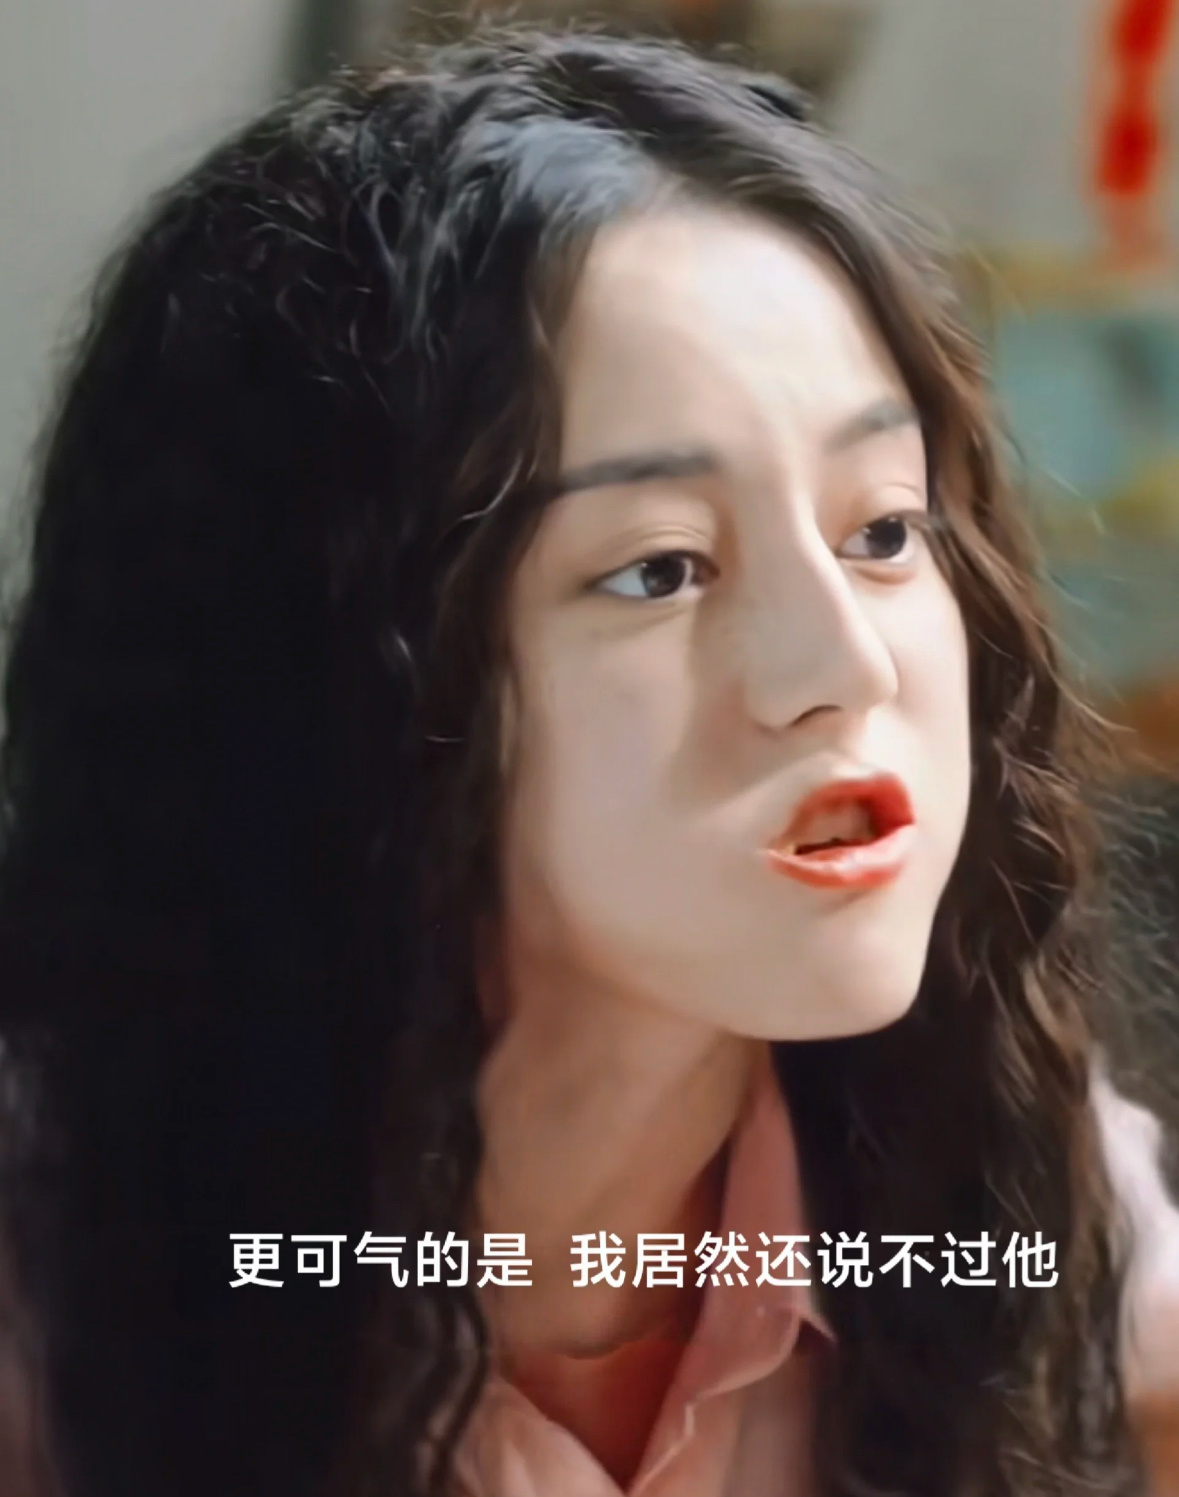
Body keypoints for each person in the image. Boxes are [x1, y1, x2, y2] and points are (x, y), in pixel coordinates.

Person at [0, 25, 1175, 1497]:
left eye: (882, 530)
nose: (847, 665)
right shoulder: (55, 1281)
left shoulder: (996, 1176)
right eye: (661, 568)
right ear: (328, 657)